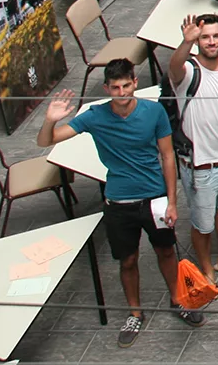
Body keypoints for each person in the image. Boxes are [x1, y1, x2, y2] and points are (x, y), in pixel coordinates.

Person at [37, 62, 205, 346]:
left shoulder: (153, 112)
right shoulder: (94, 116)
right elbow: (45, 140)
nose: (121, 92)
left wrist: (172, 201)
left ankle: (178, 301)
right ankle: (135, 313)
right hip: (119, 202)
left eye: (126, 86)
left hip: (154, 198)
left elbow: (167, 157)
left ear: (135, 83)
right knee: (127, 260)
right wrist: (50, 119)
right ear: (107, 89)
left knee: (166, 252)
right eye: (115, 88)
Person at [166, 14, 218, 284]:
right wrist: (185, 42)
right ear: (197, 41)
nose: (211, 42)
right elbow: (174, 67)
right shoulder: (189, 71)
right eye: (205, 37)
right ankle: (205, 267)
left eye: (216, 36)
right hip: (200, 165)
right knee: (202, 224)